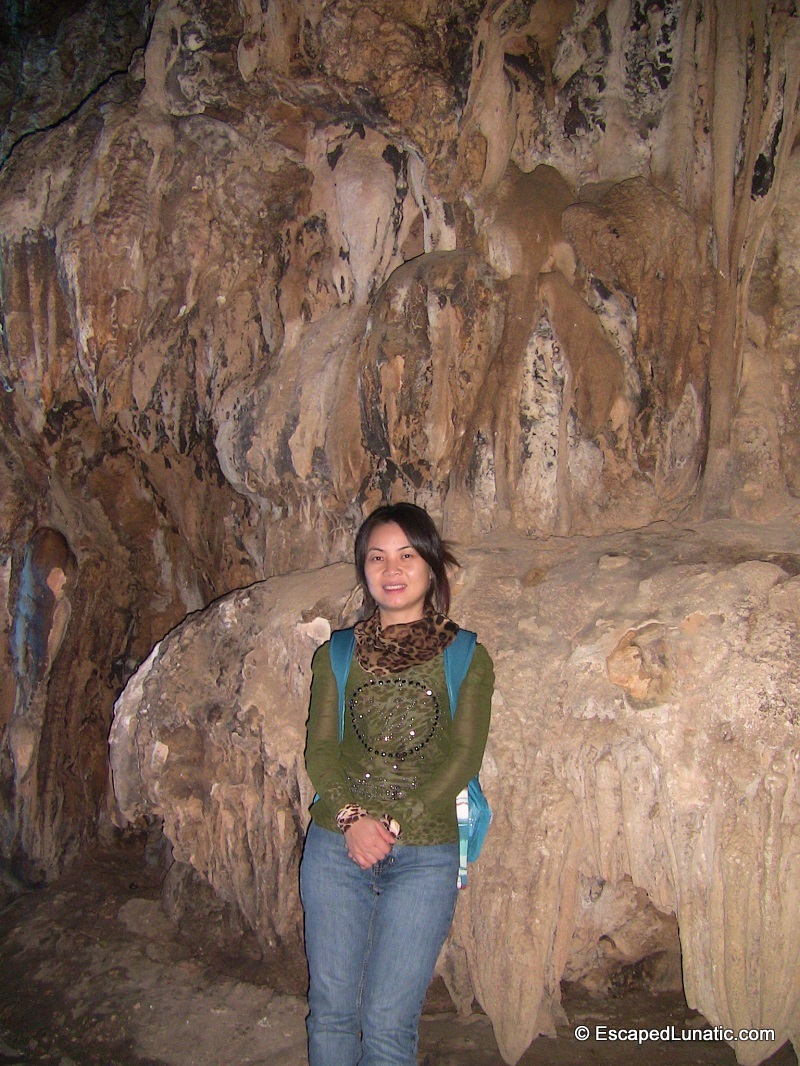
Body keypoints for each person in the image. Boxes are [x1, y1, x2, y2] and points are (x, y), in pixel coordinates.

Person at [300, 502, 494, 1066]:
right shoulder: (336, 654)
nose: (392, 568)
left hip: (425, 851)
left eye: (407, 555)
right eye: (377, 557)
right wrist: (351, 819)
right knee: (333, 1012)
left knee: (388, 1022)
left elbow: (462, 758)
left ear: (431, 568)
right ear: (363, 570)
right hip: (338, 847)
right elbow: (320, 752)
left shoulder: (467, 656)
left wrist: (394, 819)